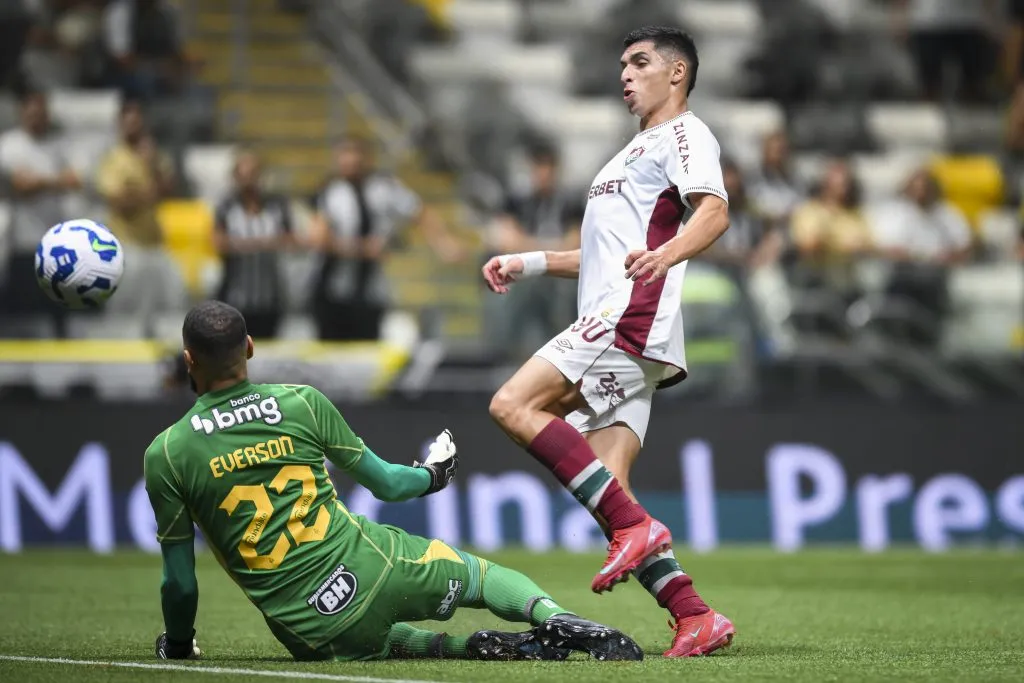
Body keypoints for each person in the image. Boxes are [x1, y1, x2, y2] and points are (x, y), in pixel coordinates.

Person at [145, 300, 643, 663]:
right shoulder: (300, 403)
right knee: (478, 577)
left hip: (307, 630)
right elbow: (386, 483)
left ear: (188, 360)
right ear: (250, 348)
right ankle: (552, 616)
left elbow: (180, 581)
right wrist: (431, 476)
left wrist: (180, 644)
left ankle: (467, 648)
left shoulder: (167, 453)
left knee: (379, 642)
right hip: (376, 569)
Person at [482, 26, 735, 657]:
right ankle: (693, 614)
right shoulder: (631, 152)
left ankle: (635, 528)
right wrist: (531, 261)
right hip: (624, 320)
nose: (625, 73)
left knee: (513, 406)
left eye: (640, 62)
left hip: (626, 320)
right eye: (622, 64)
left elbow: (714, 210)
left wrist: (667, 255)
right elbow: (604, 256)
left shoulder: (684, 134)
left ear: (677, 73)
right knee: (608, 495)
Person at [308, 136, 462, 341]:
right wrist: (363, 249)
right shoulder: (330, 191)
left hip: (371, 292)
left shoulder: (384, 187)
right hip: (332, 292)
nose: (351, 161)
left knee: (367, 349)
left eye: (356, 155)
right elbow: (319, 239)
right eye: (345, 155)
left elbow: (419, 211)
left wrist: (443, 242)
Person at [212, 151, 293, 339]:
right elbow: (217, 241)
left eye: (253, 173)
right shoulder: (227, 206)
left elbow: (291, 239)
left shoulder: (276, 205)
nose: (249, 180)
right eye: (244, 174)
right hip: (235, 295)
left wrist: (265, 244)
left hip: (270, 296)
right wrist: (257, 244)